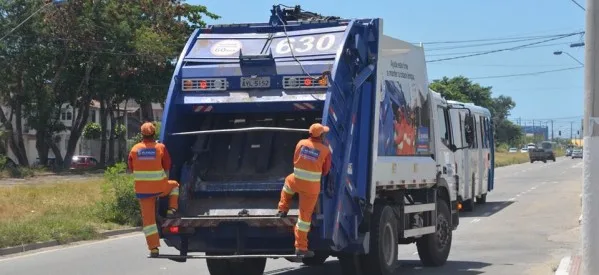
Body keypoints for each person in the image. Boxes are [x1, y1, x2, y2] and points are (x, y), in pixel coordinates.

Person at [276, 123, 332, 257]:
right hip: (311, 188)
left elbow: (295, 160)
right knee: (304, 219)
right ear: (322, 136)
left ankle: (282, 209)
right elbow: (325, 171)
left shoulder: (300, 143)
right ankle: (301, 248)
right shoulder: (325, 151)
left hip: (296, 180)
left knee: (287, 184)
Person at [128, 122, 180, 258]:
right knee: (174, 185)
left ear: (142, 134)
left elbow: (132, 168)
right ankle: (171, 210)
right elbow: (168, 166)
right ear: (153, 134)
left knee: (149, 221)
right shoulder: (160, 147)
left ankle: (154, 249)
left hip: (143, 192)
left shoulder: (134, 149)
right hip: (159, 188)